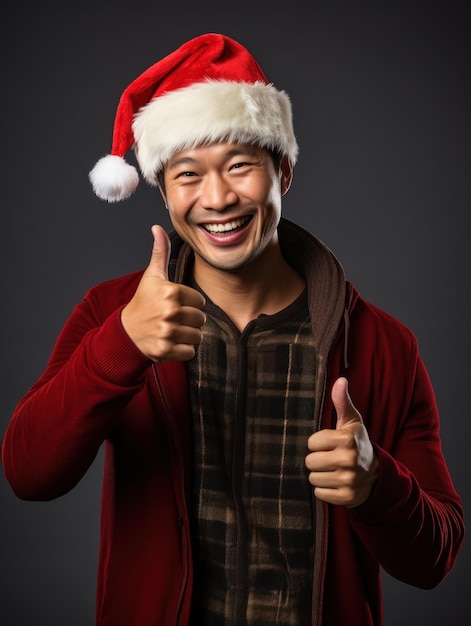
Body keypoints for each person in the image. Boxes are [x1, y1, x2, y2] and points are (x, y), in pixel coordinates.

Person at [1, 33, 465, 626]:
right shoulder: (113, 312)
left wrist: (379, 486)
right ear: (163, 191)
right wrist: (122, 346)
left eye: (240, 166)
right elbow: (28, 474)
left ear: (284, 171)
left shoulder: (382, 344)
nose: (217, 198)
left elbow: (437, 557)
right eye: (188, 174)